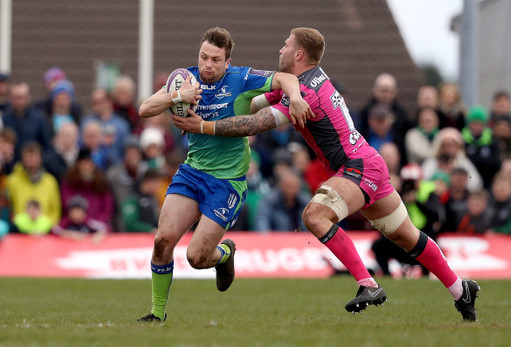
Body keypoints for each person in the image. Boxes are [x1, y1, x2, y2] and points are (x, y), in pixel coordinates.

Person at [175, 27, 480, 321]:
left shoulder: (305, 91)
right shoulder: (305, 81)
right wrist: (211, 100)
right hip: (369, 163)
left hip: (357, 168)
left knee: (314, 216)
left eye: (285, 44)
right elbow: (249, 104)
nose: (280, 49)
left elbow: (255, 124)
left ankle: (367, 284)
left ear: (298, 53)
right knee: (406, 236)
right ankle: (460, 289)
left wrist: (201, 126)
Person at [136, 27, 312, 322]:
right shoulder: (187, 79)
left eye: (215, 60)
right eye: (204, 57)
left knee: (196, 258)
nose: (207, 64)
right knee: (162, 241)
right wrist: (179, 94)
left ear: (227, 62)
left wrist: (294, 97)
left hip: (227, 183)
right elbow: (144, 109)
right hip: (192, 174)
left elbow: (286, 78)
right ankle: (156, 314)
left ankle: (225, 255)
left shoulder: (241, 79)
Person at [6, 142, 61, 226]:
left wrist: (48, 225)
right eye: (28, 156)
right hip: (18, 230)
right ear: (22, 159)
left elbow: (55, 209)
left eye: (34, 156)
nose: (31, 159)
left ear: (40, 159)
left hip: (45, 230)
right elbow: (8, 206)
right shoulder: (12, 180)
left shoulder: (50, 181)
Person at [60, 148, 114, 228]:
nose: (87, 167)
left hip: (97, 227)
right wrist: (78, 217)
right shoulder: (69, 182)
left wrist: (94, 222)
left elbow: (107, 208)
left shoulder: (101, 183)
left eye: (90, 163)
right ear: (78, 164)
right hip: (73, 226)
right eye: (84, 163)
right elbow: (66, 203)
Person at [3, 82, 52, 159]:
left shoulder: (39, 119)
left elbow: (47, 145)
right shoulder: (4, 118)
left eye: (21, 97)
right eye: (14, 97)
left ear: (28, 97)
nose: (18, 101)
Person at [461, 106, 501, 188]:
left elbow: (495, 163)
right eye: (474, 123)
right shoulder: (462, 140)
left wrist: (475, 160)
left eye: (479, 124)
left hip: (488, 182)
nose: (476, 127)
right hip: (468, 182)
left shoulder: (492, 140)